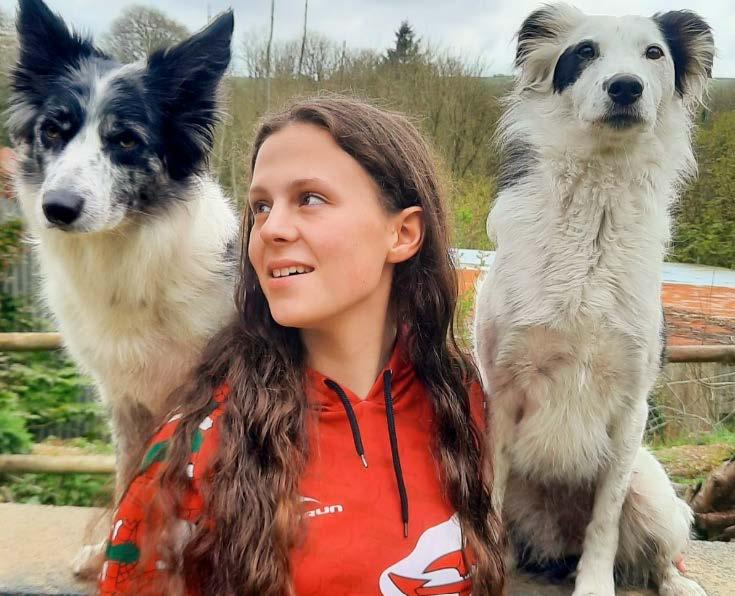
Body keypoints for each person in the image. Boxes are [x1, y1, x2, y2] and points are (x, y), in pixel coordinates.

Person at [98, 95, 505, 595]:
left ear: (402, 233)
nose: (270, 228)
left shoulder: (465, 407)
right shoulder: (202, 444)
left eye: (309, 198)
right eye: (261, 206)